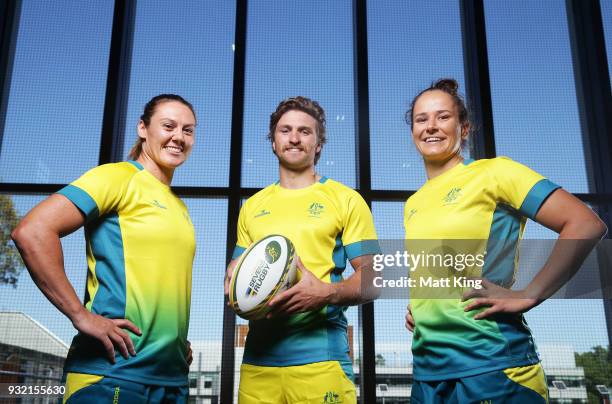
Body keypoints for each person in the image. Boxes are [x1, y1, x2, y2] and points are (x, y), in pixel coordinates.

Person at [402, 79, 607, 403]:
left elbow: (584, 223)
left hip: (494, 365)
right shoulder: (413, 203)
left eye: (443, 117)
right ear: (412, 129)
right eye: (421, 119)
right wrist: (423, 305)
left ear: (465, 128)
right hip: (428, 375)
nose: (431, 127)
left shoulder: (496, 173)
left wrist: (529, 294)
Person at [11, 94, 198, 403]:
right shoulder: (117, 177)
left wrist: (173, 342)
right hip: (111, 373)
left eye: (188, 130)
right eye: (168, 126)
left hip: (170, 378)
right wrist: (80, 315)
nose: (178, 137)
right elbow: (32, 231)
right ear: (143, 128)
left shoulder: (179, 206)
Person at [224, 96, 380, 404]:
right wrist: (234, 288)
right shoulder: (252, 207)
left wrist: (327, 292)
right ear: (273, 141)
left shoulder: (345, 199)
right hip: (257, 364)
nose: (294, 138)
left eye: (305, 131)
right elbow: (236, 276)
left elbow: (375, 277)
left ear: (319, 144)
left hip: (321, 362)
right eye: (285, 130)